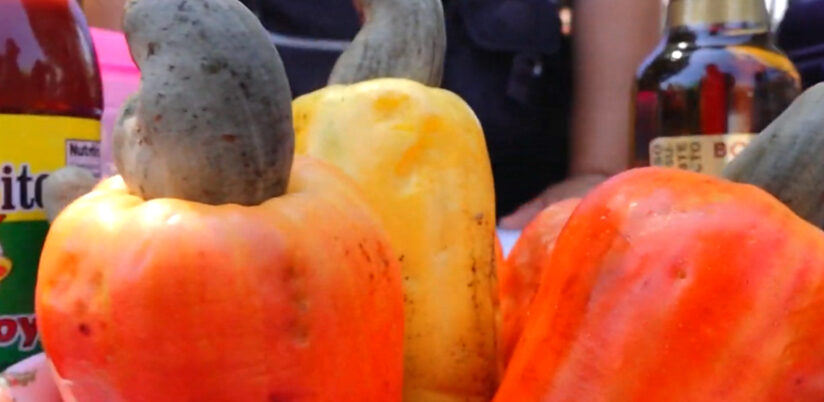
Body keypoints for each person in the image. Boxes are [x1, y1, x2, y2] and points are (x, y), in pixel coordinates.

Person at [83, 0, 662, 229]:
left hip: (503, 242)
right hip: (223, 244)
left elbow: (602, 170)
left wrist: (591, 180)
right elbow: (127, 100)